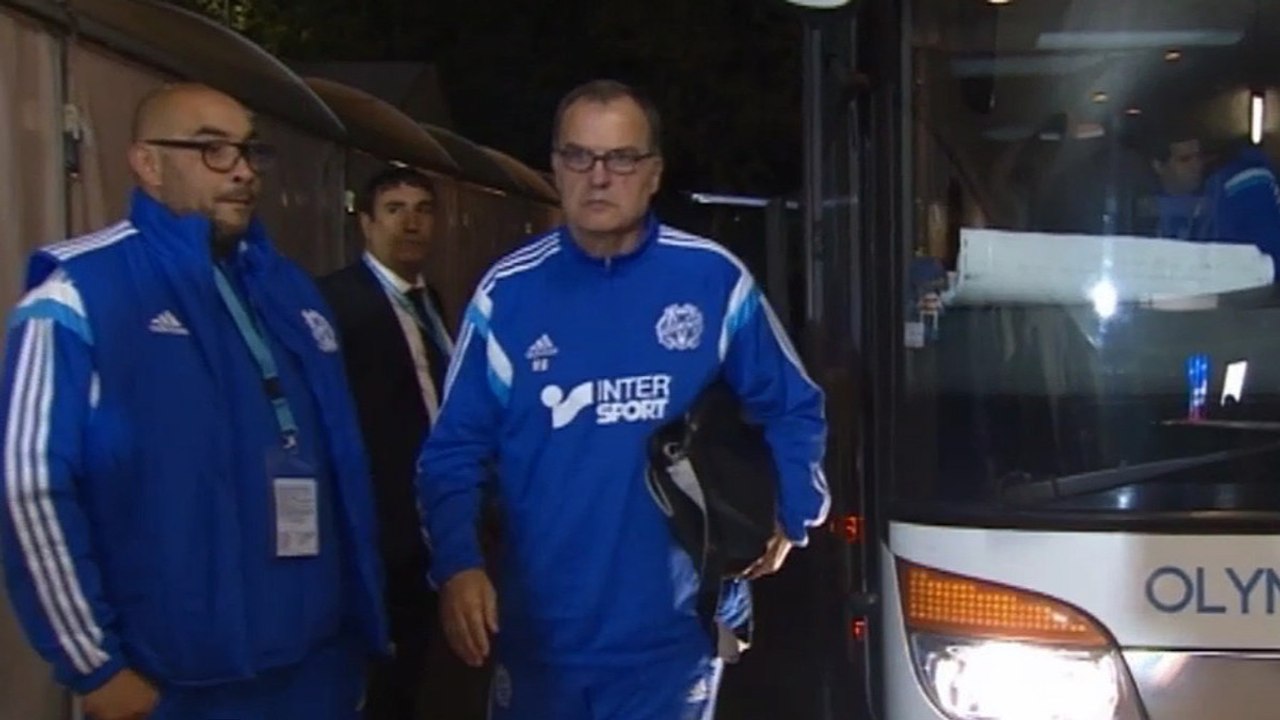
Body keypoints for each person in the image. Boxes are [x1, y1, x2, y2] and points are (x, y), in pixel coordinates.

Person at [418, 78, 829, 719]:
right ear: (555, 167)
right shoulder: (508, 295)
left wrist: (791, 511)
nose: (599, 177)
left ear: (654, 172)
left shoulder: (713, 279)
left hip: (673, 640)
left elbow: (792, 405)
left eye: (621, 158)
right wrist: (458, 564)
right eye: (579, 156)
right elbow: (452, 450)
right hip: (541, 639)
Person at [0, 83, 388, 720]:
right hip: (176, 687)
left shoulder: (291, 293)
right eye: (211, 150)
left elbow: (344, 470)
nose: (240, 170)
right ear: (147, 163)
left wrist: (357, 642)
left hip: (314, 672)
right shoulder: (80, 294)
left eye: (247, 150)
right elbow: (28, 485)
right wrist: (95, 668)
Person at [319, 167, 483, 720]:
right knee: (374, 679)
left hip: (426, 525)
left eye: (422, 210)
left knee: (415, 670)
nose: (410, 223)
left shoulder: (428, 300)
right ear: (365, 223)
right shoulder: (338, 303)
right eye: (394, 209)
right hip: (377, 526)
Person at [1148, 127, 1280, 257]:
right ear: (1158, 166)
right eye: (1185, 159)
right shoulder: (1140, 207)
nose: (1196, 165)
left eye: (1198, 157)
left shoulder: (1240, 189)